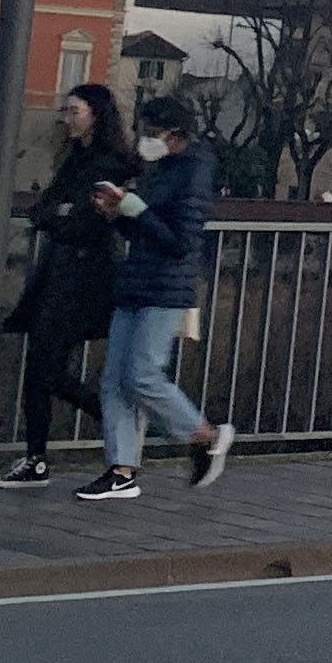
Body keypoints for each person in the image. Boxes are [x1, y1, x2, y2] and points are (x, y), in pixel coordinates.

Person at [78, 94, 235, 502]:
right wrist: (119, 213)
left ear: (175, 134)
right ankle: (121, 470)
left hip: (167, 286)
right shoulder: (162, 168)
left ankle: (206, 435)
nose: (145, 140)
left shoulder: (195, 171)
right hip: (139, 280)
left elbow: (181, 242)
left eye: (152, 133)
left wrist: (133, 208)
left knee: (142, 374)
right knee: (115, 379)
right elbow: (149, 229)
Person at [0, 82, 137, 488]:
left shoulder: (112, 161)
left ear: (96, 114)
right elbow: (47, 209)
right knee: (43, 367)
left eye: (74, 111)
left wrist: (62, 214)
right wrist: (61, 213)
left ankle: (106, 431)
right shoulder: (78, 157)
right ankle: (41, 455)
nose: (65, 118)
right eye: (65, 111)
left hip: (84, 275)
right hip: (60, 271)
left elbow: (82, 220)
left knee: (46, 367)